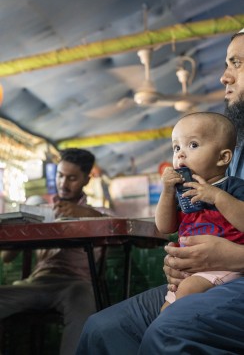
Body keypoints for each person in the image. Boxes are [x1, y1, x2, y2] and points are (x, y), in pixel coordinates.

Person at [76, 28, 244, 355]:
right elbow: (170, 224)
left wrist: (233, 257)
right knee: (101, 329)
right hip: (207, 275)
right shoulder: (231, 151)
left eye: (236, 63)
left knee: (169, 332)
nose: (224, 77)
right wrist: (184, 260)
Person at [0, 148, 108, 355]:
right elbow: (6, 257)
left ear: (87, 179)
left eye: (72, 178)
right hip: (36, 284)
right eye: (60, 175)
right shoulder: (41, 212)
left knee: (83, 302)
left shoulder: (99, 214)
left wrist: (85, 214)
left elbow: (115, 223)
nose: (63, 183)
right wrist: (22, 225)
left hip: (74, 285)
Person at [155, 112, 244, 310]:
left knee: (185, 295)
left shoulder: (232, 187)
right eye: (176, 147)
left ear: (223, 157)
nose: (180, 154)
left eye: (192, 145)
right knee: (164, 312)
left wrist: (217, 197)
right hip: (190, 272)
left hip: (224, 268)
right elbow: (164, 226)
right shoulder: (182, 192)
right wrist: (167, 192)